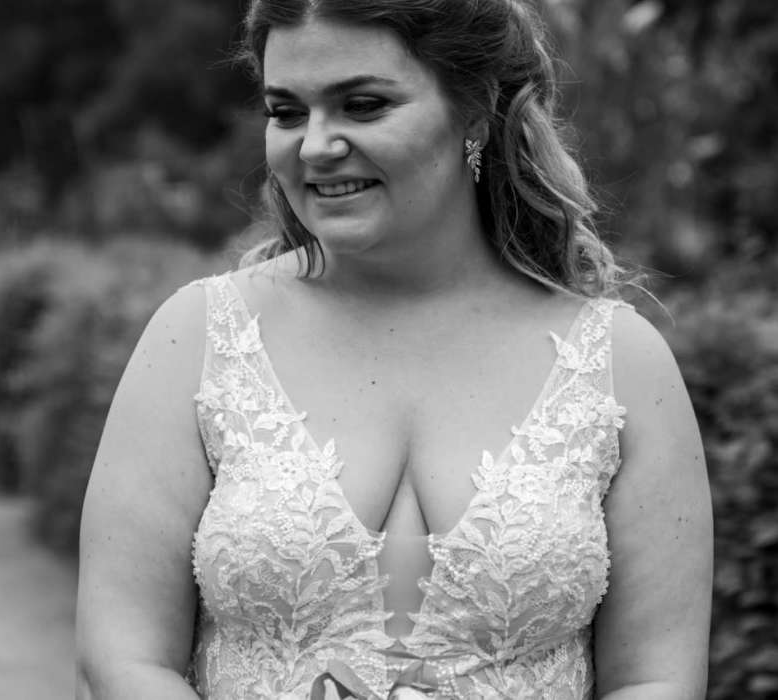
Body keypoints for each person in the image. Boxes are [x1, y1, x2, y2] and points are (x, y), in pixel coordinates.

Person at [75, 0, 713, 698]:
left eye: (363, 105)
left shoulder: (621, 363)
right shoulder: (197, 338)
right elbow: (122, 656)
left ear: (475, 112)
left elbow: (658, 679)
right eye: (287, 112)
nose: (315, 146)